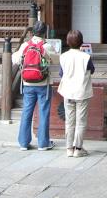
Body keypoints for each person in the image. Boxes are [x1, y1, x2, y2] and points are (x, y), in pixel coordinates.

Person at [12, 20, 55, 151]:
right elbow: (55, 60)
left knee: (27, 111)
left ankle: (23, 143)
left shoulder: (25, 45)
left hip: (27, 83)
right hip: (43, 83)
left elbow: (15, 59)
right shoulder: (46, 46)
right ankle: (43, 143)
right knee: (43, 112)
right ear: (44, 32)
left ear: (32, 32)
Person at [58, 30, 95, 158]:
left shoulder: (63, 56)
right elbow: (92, 70)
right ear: (81, 42)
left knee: (69, 122)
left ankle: (69, 148)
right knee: (81, 122)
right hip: (82, 92)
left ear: (67, 42)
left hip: (68, 92)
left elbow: (61, 74)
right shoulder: (86, 57)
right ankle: (78, 149)